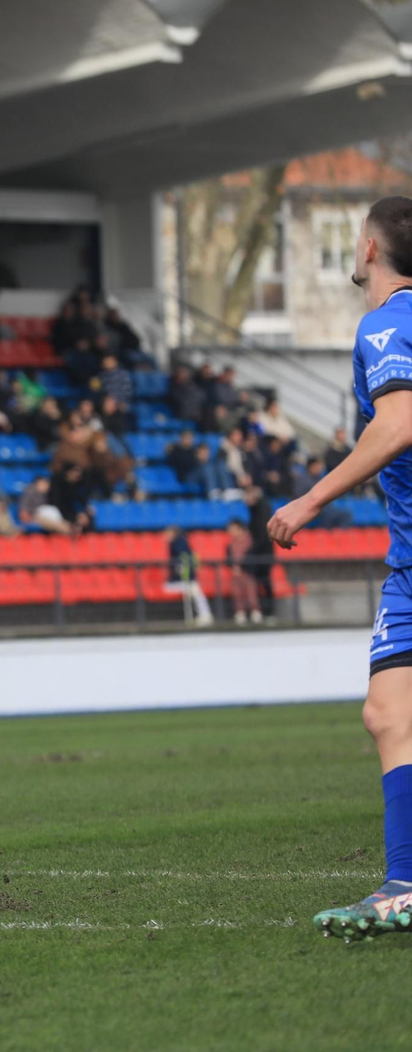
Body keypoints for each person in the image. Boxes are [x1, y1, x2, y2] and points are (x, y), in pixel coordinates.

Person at [266, 195, 412, 940]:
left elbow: (397, 423)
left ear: (368, 250)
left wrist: (310, 500)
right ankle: (404, 885)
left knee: (393, 715)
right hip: (408, 561)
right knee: (390, 714)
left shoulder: (388, 322)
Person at [163, 524, 212, 627]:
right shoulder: (177, 544)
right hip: (181, 579)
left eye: (168, 533)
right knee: (193, 590)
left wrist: (184, 573)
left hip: (185, 578)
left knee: (194, 590)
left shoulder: (179, 543)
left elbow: (185, 561)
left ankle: (205, 616)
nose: (165, 535)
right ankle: (205, 615)